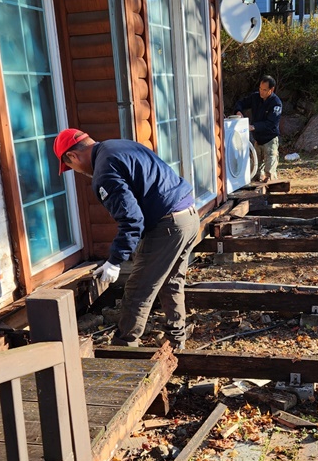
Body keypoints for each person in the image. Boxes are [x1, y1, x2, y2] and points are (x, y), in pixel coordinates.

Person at [54, 128, 199, 349]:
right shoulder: (118, 145)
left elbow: (132, 220)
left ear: (73, 156)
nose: (78, 172)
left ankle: (124, 349)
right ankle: (176, 340)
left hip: (168, 225)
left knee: (138, 290)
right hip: (189, 215)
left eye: (71, 167)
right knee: (171, 281)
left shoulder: (104, 171)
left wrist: (114, 261)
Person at [234, 75, 282, 183]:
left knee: (269, 172)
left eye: (264, 90)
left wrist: (254, 127)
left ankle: (271, 188)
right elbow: (241, 103)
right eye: (260, 88)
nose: (261, 92)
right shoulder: (255, 97)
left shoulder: (276, 103)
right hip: (257, 140)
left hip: (270, 140)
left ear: (271, 90)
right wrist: (238, 111)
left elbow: (271, 123)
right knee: (254, 171)